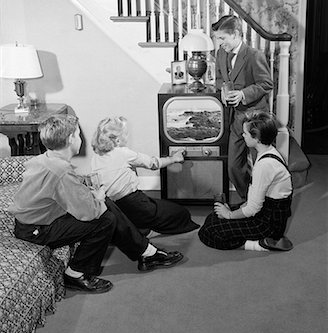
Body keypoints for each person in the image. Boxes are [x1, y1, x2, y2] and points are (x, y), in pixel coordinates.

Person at [10, 115, 184, 295]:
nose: (80, 139)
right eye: (78, 134)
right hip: (37, 230)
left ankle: (146, 253)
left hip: (36, 222)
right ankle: (76, 273)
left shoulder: (46, 159)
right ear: (71, 139)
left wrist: (95, 194)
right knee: (105, 219)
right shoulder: (60, 172)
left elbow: (59, 188)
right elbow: (91, 213)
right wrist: (98, 198)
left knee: (105, 204)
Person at [198, 111, 293, 252]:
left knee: (209, 232)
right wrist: (229, 213)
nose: (243, 135)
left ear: (256, 138)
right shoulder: (269, 152)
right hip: (267, 210)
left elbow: (253, 209)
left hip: (268, 224)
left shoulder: (264, 165)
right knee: (213, 217)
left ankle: (260, 244)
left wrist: (229, 215)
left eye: (246, 134)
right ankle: (256, 238)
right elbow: (255, 199)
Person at [91, 116, 199, 236]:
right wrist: (173, 158)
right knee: (181, 213)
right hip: (134, 203)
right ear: (117, 140)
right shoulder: (124, 153)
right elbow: (153, 163)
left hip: (114, 208)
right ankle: (145, 230)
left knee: (152, 206)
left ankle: (136, 228)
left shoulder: (95, 157)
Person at [212, 15, 273, 202]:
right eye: (217, 38)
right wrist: (222, 90)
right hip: (236, 118)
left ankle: (266, 201)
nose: (219, 43)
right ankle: (249, 199)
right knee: (233, 166)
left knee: (261, 165)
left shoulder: (254, 55)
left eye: (222, 38)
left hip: (256, 118)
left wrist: (243, 94)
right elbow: (220, 78)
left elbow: (266, 83)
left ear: (236, 34)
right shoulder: (220, 54)